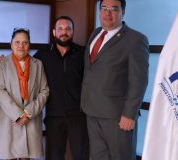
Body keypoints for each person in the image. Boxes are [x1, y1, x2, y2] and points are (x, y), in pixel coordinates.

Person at [81, 0, 149, 159]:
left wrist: (129, 114)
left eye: (114, 9)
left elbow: (139, 81)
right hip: (92, 110)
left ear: (123, 12)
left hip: (117, 116)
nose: (107, 13)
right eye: (104, 8)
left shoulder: (135, 40)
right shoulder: (95, 33)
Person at [34, 16, 89, 160]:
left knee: (81, 155)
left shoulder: (83, 52)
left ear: (73, 31)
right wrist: (2, 62)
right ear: (54, 32)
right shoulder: (43, 54)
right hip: (53, 115)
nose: (64, 32)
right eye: (60, 29)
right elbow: (25, 68)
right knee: (55, 156)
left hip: (78, 115)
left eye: (68, 29)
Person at [0, 28, 49, 160]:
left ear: (29, 45)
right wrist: (18, 115)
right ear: (11, 44)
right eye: (17, 42)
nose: (21, 46)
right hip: (10, 119)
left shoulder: (38, 64)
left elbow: (44, 90)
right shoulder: (3, 64)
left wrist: (28, 113)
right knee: (10, 155)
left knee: (26, 156)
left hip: (31, 118)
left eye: (25, 42)